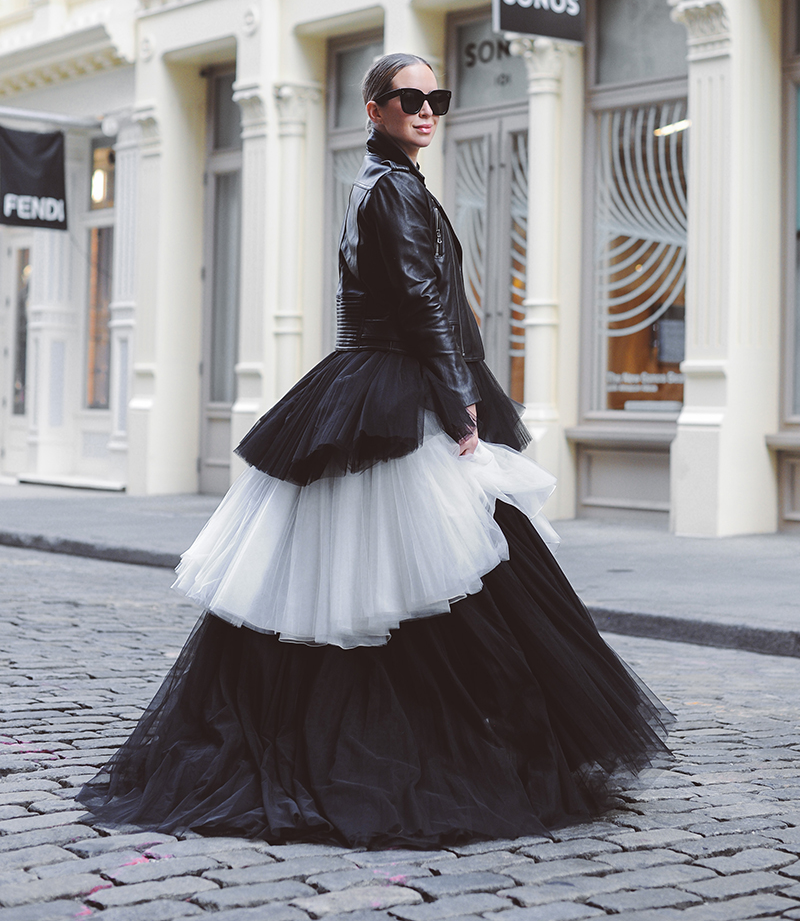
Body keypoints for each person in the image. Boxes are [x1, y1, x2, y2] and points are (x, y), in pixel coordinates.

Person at [81, 53, 670, 848]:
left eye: (437, 97)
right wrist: (457, 394)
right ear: (374, 109)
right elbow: (421, 298)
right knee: (443, 567)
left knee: (413, 570)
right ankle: (425, 748)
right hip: (398, 385)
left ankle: (412, 737)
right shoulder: (389, 188)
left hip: (386, 382)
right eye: (409, 98)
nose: (427, 110)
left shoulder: (395, 182)